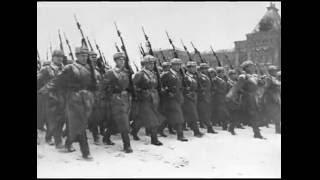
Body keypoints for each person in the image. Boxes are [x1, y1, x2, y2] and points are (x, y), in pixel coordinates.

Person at [42, 46, 96, 160]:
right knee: (80, 125)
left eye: (86, 55)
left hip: (86, 99)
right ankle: (85, 152)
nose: (84, 57)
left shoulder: (89, 67)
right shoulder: (70, 68)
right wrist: (44, 90)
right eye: (82, 55)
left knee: (78, 124)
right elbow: (57, 81)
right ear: (76, 56)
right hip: (74, 99)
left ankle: (67, 144)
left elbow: (93, 84)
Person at [100, 52, 133, 153]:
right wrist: (107, 97)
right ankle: (127, 145)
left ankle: (106, 137)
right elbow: (103, 87)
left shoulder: (127, 72)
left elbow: (130, 86)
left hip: (125, 98)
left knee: (114, 121)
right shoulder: (111, 72)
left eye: (123, 60)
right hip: (115, 98)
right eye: (119, 60)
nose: (122, 61)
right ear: (115, 61)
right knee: (123, 121)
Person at [226, 60, 266, 139]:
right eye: (251, 66)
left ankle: (256, 133)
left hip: (253, 98)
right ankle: (232, 127)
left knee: (251, 115)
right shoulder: (243, 76)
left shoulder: (254, 76)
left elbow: (260, 84)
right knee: (243, 114)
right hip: (246, 98)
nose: (253, 67)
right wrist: (230, 95)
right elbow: (237, 86)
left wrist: (262, 80)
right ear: (246, 68)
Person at [130, 55, 164, 145]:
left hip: (154, 99)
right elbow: (133, 86)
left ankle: (133, 131)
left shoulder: (154, 74)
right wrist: (140, 93)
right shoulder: (140, 74)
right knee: (153, 120)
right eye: (149, 63)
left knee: (140, 119)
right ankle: (154, 139)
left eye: (152, 63)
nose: (151, 65)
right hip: (144, 100)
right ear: (144, 64)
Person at [37, 50, 65, 148]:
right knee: (52, 119)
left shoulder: (65, 69)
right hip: (50, 98)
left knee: (61, 119)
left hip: (62, 97)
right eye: (57, 56)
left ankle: (49, 136)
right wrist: (42, 91)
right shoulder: (46, 69)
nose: (60, 59)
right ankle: (57, 141)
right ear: (53, 58)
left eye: (61, 57)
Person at [161, 58, 188, 141]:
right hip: (170, 99)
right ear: (171, 65)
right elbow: (161, 86)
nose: (178, 66)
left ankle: (159, 129)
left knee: (168, 117)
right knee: (178, 115)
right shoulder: (166, 74)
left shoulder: (179, 74)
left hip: (178, 97)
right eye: (176, 65)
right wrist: (167, 92)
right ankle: (180, 135)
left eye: (179, 65)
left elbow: (181, 86)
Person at [181, 61, 204, 137]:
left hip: (193, 96)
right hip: (187, 97)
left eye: (195, 67)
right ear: (188, 68)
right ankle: (196, 131)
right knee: (193, 115)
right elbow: (182, 86)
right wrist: (186, 92)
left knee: (191, 114)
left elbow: (198, 86)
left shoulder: (195, 76)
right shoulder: (185, 76)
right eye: (193, 67)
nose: (195, 69)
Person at [197, 63, 218, 134]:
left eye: (206, 68)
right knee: (204, 113)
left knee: (207, 113)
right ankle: (209, 127)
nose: (205, 70)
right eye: (203, 68)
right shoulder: (199, 76)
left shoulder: (206, 76)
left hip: (208, 97)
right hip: (202, 97)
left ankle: (208, 127)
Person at [262, 66, 281, 134]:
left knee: (277, 113)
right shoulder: (269, 78)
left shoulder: (275, 78)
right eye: (274, 71)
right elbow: (266, 88)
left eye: (276, 71)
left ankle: (266, 123)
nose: (275, 72)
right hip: (271, 99)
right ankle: (278, 130)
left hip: (276, 97)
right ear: (271, 72)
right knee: (276, 113)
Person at [212, 66, 230, 130]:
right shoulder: (215, 80)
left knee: (224, 112)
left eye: (223, 72)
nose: (223, 73)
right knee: (222, 112)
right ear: (218, 73)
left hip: (224, 97)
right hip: (218, 98)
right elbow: (214, 88)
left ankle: (224, 125)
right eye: (221, 72)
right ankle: (222, 125)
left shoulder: (225, 79)